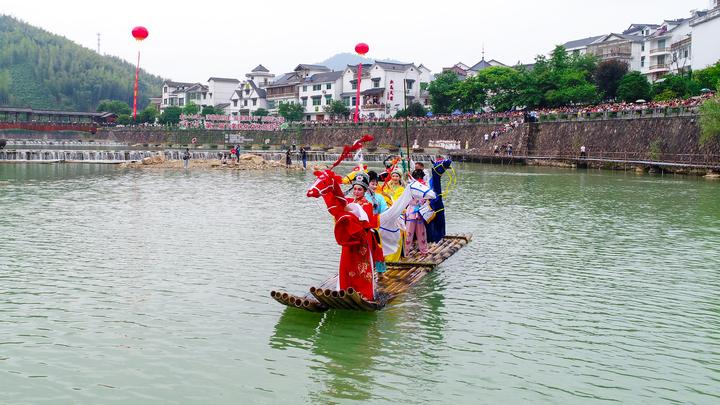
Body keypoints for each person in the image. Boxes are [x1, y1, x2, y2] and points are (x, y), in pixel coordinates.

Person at [405, 169, 430, 255]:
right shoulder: (411, 186)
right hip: (413, 210)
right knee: (410, 232)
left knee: (419, 232)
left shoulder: (424, 186)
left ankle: (421, 250)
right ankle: (407, 251)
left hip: (419, 211)